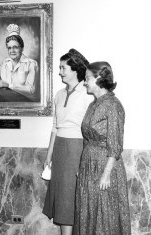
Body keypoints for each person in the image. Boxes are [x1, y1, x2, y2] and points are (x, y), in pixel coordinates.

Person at [73, 62, 131, 235]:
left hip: (105, 166)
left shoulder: (113, 105)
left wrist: (106, 174)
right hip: (89, 165)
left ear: (99, 78)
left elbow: (115, 144)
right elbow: (87, 138)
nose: (84, 82)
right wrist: (81, 166)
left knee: (105, 213)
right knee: (88, 211)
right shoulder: (93, 104)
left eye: (87, 78)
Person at [42, 49, 93, 235]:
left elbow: (90, 130)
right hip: (60, 149)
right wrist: (49, 155)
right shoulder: (59, 94)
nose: (60, 71)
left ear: (75, 70)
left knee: (72, 196)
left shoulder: (87, 94)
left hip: (77, 148)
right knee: (63, 196)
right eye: (59, 68)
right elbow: (55, 126)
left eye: (63, 68)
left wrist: (85, 159)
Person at [0, 23, 39, 101]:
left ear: (22, 48)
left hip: (24, 102)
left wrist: (8, 85)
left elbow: (30, 90)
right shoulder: (5, 62)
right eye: (9, 48)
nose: (12, 51)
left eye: (15, 47)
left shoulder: (31, 64)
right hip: (5, 99)